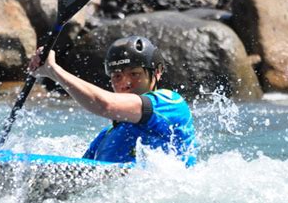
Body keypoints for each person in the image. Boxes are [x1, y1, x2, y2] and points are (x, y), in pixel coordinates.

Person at [29, 35, 197, 166]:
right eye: (117, 76)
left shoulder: (170, 104)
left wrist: (54, 71)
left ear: (157, 72)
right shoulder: (106, 137)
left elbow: (106, 105)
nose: (125, 83)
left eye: (134, 74)